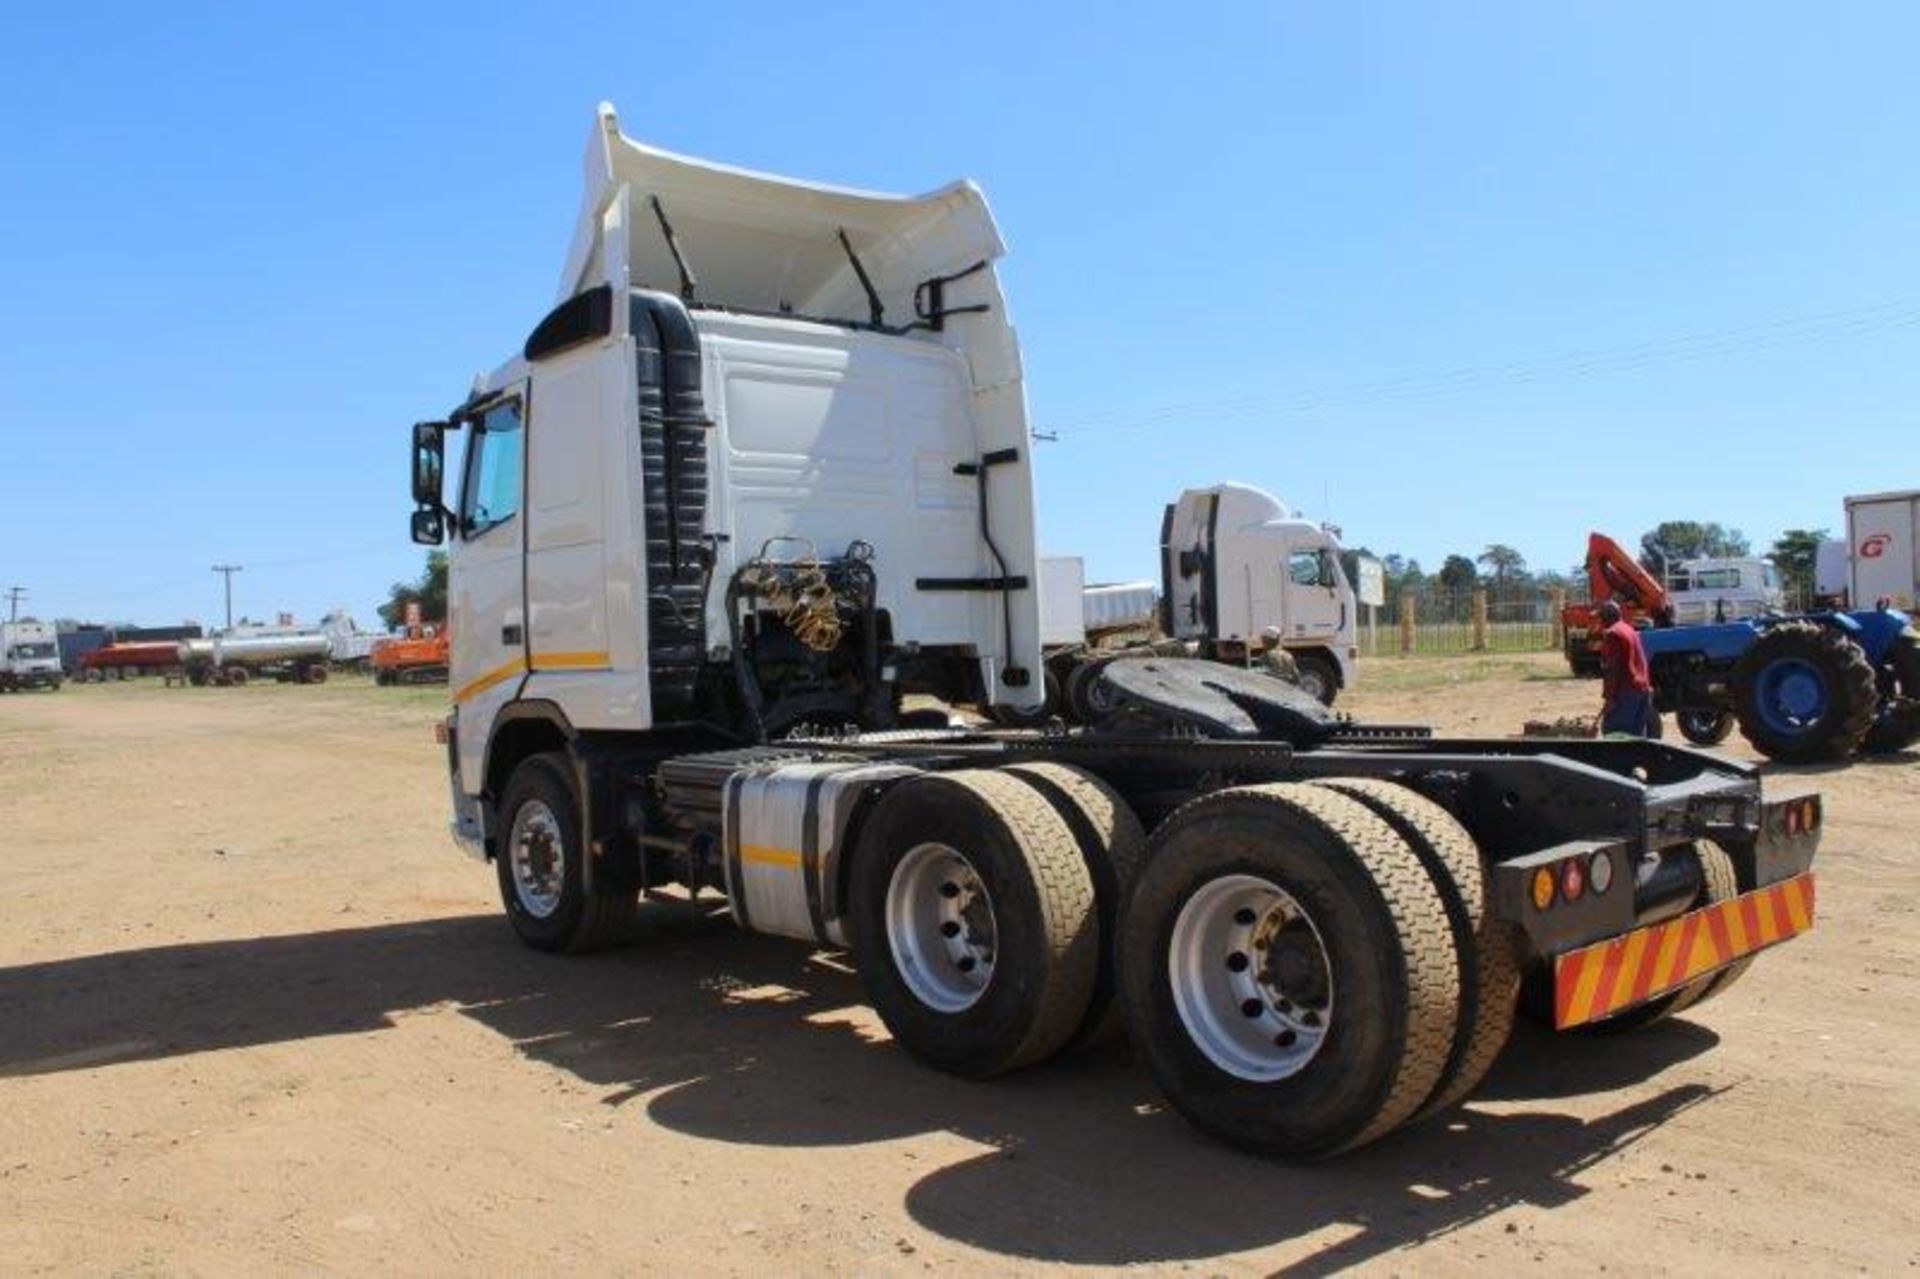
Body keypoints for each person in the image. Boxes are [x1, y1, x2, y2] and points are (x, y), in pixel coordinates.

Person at [1596, 599, 1655, 737]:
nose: (1599, 621)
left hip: (1626, 692)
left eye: (1601, 617)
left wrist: (1609, 698)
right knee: (1635, 738)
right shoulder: (1629, 630)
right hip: (1643, 690)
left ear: (1606, 617)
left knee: (1613, 734)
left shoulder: (1612, 633)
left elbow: (1612, 668)